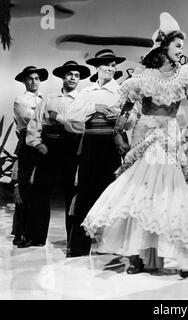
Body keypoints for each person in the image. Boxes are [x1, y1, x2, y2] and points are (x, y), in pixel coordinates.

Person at [81, 12, 188, 278]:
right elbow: (125, 111)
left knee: (171, 194)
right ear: (163, 46)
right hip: (144, 134)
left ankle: (183, 255)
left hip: (169, 136)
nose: (181, 50)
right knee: (140, 194)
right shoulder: (142, 76)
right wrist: (118, 133)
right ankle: (136, 257)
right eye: (177, 45)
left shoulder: (185, 76)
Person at [56, 49, 127, 257]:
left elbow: (132, 118)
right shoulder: (86, 92)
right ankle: (79, 246)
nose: (111, 68)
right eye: (106, 64)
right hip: (89, 144)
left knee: (111, 192)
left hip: (111, 144)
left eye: (114, 65)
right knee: (85, 192)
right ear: (97, 67)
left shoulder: (121, 91)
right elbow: (70, 116)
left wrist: (119, 117)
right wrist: (95, 107)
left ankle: (111, 245)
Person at [25, 61, 91, 247]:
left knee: (72, 194)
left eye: (76, 76)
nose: (72, 78)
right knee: (40, 192)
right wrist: (38, 144)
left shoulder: (83, 101)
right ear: (63, 77)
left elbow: (80, 126)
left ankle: (73, 242)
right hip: (49, 148)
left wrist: (58, 119)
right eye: (69, 74)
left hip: (71, 149)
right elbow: (35, 123)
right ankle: (36, 238)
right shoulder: (49, 100)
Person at [12, 66, 48, 248]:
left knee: (39, 190)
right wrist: (48, 115)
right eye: (30, 79)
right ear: (24, 81)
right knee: (25, 188)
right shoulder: (20, 100)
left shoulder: (42, 99)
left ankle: (37, 235)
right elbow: (32, 119)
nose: (34, 81)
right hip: (27, 144)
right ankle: (22, 234)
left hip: (40, 142)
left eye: (37, 78)